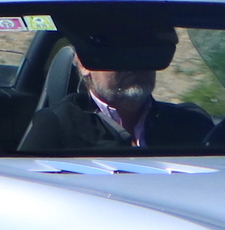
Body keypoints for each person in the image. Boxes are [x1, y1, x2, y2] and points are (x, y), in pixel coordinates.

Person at [19, 22, 214, 152]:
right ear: (84, 64)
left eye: (146, 50)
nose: (135, 62)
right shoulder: (57, 125)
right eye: (118, 51)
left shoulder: (192, 124)